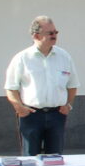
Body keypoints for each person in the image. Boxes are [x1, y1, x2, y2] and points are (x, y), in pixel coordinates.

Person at [4, 15, 80, 155]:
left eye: (55, 32)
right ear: (36, 36)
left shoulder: (64, 56)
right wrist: (19, 107)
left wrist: (68, 105)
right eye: (50, 33)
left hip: (57, 115)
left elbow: (72, 85)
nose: (54, 36)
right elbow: (11, 88)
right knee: (30, 158)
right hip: (31, 115)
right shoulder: (22, 58)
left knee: (55, 158)